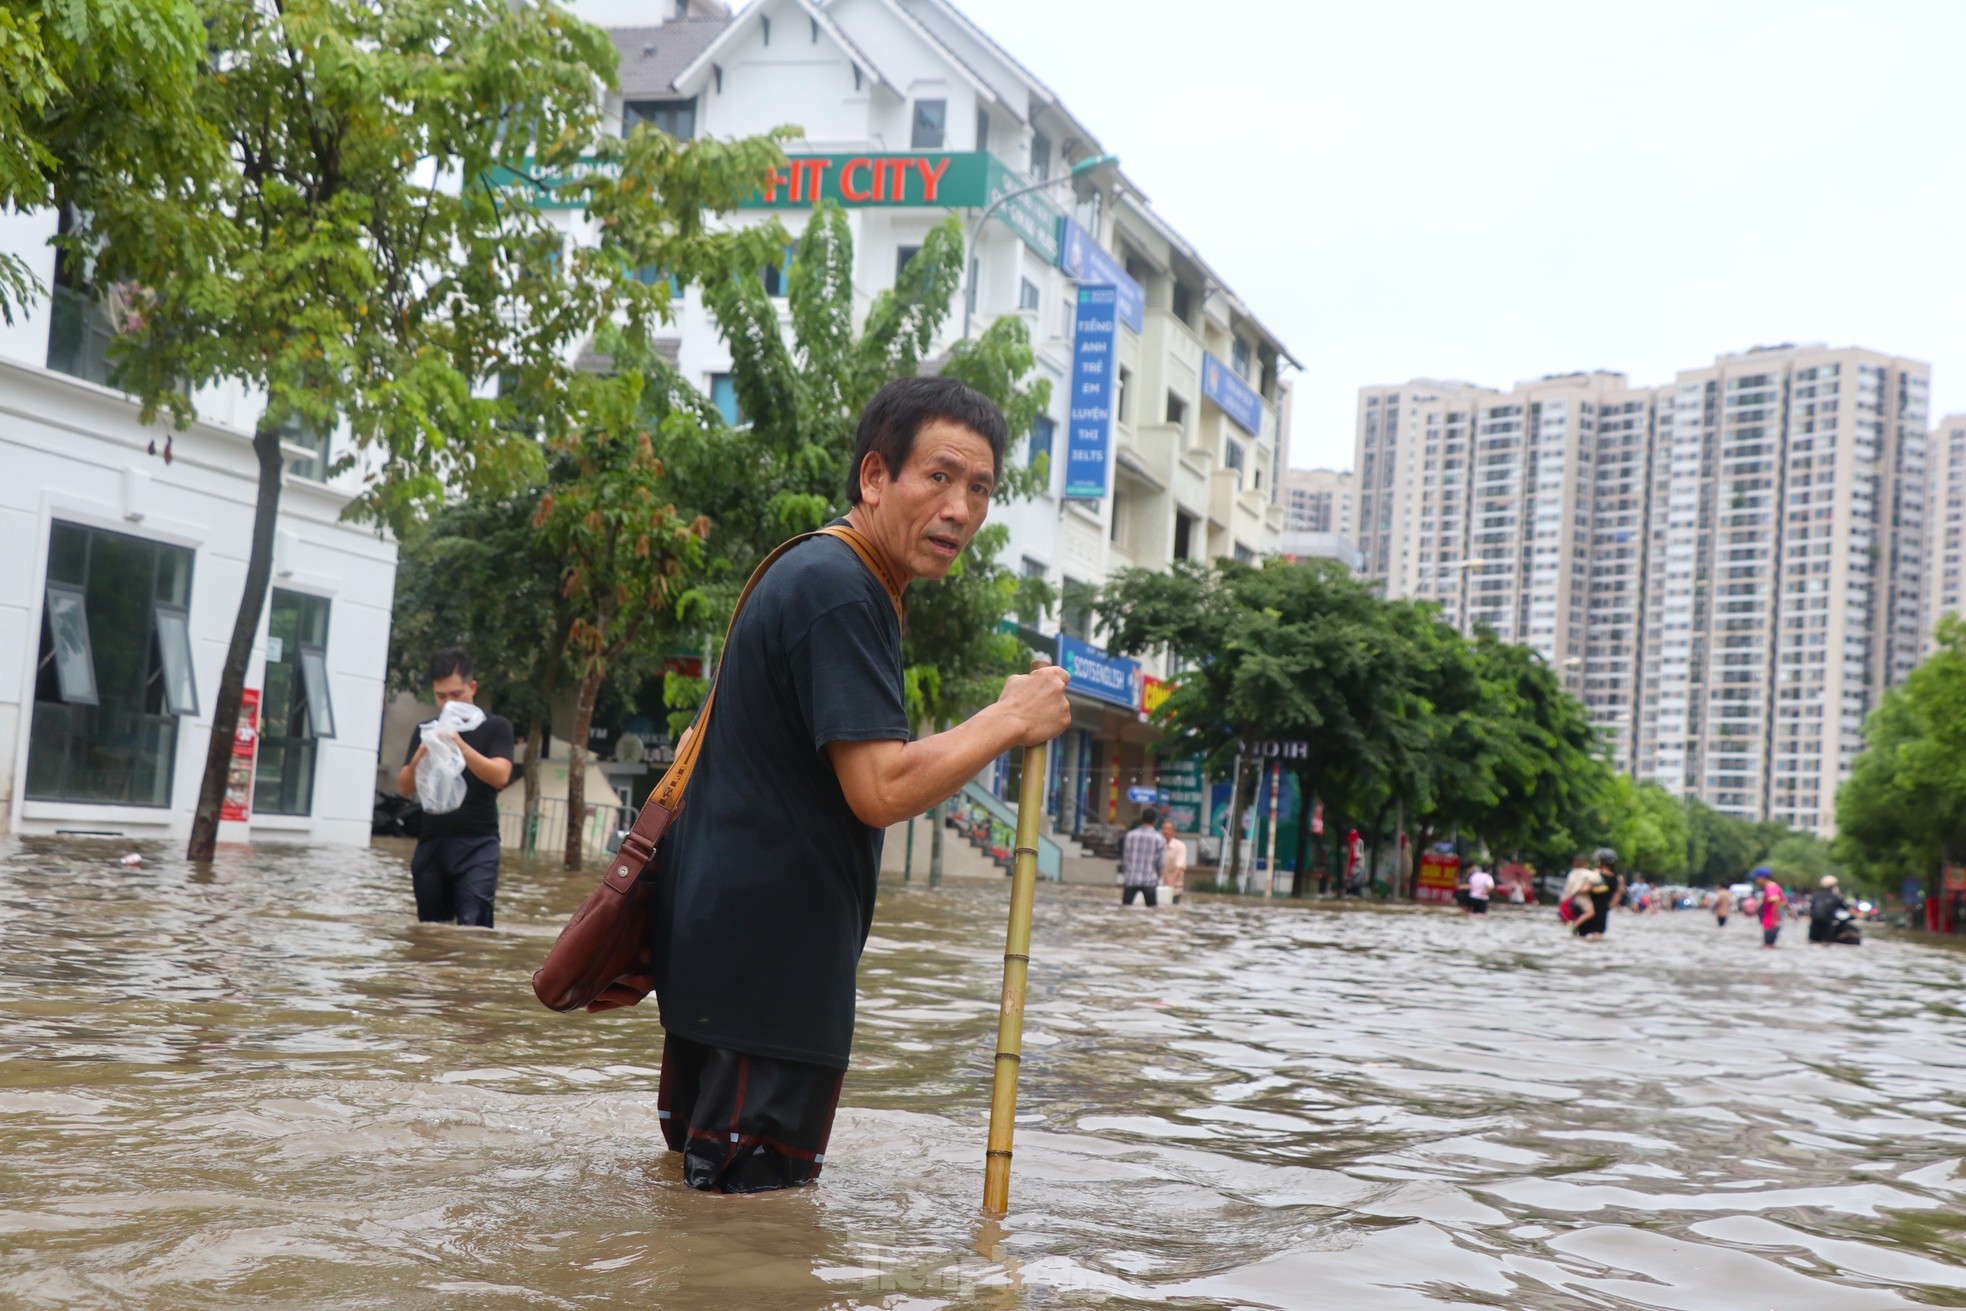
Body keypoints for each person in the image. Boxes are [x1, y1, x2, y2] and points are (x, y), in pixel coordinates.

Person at [647, 376, 1072, 1194]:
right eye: (939, 477)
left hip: (730, 972)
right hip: (767, 985)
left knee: (706, 1222)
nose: (959, 508)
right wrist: (1010, 717)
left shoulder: (824, 572)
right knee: (751, 1238)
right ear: (875, 477)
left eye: (979, 489)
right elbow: (879, 787)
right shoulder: (841, 587)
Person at [396, 647, 515, 928]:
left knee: (474, 929)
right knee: (431, 930)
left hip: (478, 843)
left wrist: (459, 744)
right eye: (441, 696)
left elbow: (500, 775)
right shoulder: (426, 729)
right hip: (432, 843)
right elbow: (405, 786)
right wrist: (423, 752)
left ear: (472, 688)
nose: (448, 703)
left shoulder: (496, 727)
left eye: (456, 695)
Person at [1575, 847, 1623, 939]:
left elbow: (1585, 889)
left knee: (1580, 939)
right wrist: (1607, 907)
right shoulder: (1619, 878)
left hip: (1587, 912)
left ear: (1601, 861)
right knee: (1597, 937)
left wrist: (1576, 890)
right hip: (1602, 914)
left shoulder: (1595, 874)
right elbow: (1618, 895)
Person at [1120, 811, 1166, 907]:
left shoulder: (1130, 835)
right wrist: (1158, 876)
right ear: (1155, 821)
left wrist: (1126, 874)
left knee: (1125, 909)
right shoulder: (1159, 838)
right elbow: (1160, 862)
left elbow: (1125, 858)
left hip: (1131, 879)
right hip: (1150, 880)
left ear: (1142, 819)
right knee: (1152, 911)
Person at [1809, 875, 1860, 945]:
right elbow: (1846, 908)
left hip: (1814, 925)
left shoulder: (1815, 896)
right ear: (1834, 886)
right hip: (1828, 924)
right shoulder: (1835, 897)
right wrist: (1858, 914)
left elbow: (1811, 910)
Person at [1752, 867, 1786, 948]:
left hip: (1770, 923)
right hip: (1772, 922)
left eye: (1757, 878)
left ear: (1762, 877)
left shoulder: (1769, 887)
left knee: (1767, 947)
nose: (1756, 880)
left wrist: (1774, 920)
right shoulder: (1775, 886)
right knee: (1770, 946)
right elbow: (1784, 902)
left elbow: (1776, 902)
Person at [1558, 853, 1595, 928]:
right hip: (1581, 898)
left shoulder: (1571, 873)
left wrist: (1562, 900)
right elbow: (1595, 882)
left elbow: (1567, 888)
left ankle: (1571, 925)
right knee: (1590, 913)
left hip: (1568, 899)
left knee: (1569, 915)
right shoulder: (1589, 873)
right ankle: (1575, 925)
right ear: (1586, 864)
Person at [1159, 820, 1188, 905]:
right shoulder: (1159, 844)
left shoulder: (1180, 846)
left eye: (1168, 829)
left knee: (1172, 907)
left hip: (1175, 886)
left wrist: (1171, 880)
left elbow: (1180, 865)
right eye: (1164, 829)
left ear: (1173, 831)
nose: (1166, 831)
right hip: (1159, 884)